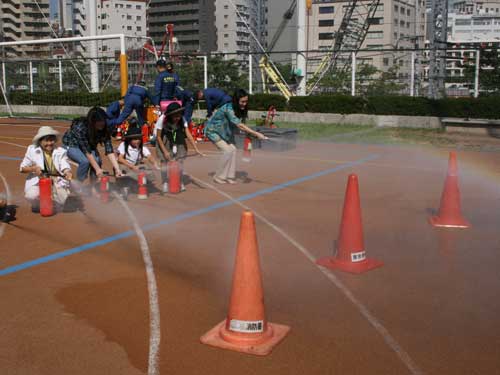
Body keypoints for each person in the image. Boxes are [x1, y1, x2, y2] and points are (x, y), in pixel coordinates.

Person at [204, 89, 267, 184]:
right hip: (213, 131)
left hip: (225, 132)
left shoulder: (240, 110)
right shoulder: (228, 108)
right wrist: (257, 134)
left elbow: (241, 126)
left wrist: (249, 134)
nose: (244, 104)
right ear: (236, 100)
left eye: (246, 101)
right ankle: (218, 176)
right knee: (227, 151)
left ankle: (229, 176)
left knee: (233, 149)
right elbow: (240, 125)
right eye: (242, 101)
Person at [63, 107, 123, 184]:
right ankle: (79, 184)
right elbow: (86, 151)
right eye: (99, 121)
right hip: (72, 144)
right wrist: (98, 169)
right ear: (92, 121)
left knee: (97, 161)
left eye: (103, 121)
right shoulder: (80, 127)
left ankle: (94, 185)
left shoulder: (104, 127)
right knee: (84, 161)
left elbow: (109, 149)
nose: (102, 123)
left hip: (88, 144)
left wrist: (117, 169)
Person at [20, 126, 73, 212]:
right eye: (46, 140)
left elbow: (64, 164)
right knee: (31, 196)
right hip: (39, 181)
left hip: (56, 180)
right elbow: (22, 168)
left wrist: (67, 172)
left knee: (61, 201)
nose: (49, 143)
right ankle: (38, 204)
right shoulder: (32, 150)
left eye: (52, 140)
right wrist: (34, 168)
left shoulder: (61, 151)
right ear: (40, 141)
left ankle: (51, 200)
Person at [155, 102, 204, 193]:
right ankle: (165, 181)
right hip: (164, 137)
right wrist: (165, 151)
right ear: (170, 115)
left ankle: (179, 180)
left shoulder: (182, 119)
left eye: (179, 115)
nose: (178, 118)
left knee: (180, 159)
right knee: (164, 161)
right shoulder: (162, 119)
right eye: (175, 116)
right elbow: (158, 137)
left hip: (177, 136)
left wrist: (196, 149)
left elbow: (188, 134)